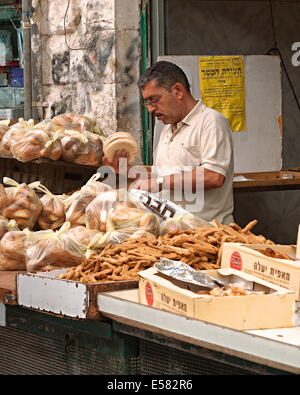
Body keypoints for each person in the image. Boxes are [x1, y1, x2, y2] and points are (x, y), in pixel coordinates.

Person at [102, 61, 234, 224]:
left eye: (154, 99)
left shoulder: (211, 121)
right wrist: (129, 172)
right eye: (147, 102)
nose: (150, 109)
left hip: (206, 230)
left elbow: (214, 176)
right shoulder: (166, 127)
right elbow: (163, 174)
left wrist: (159, 183)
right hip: (170, 230)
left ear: (178, 91)